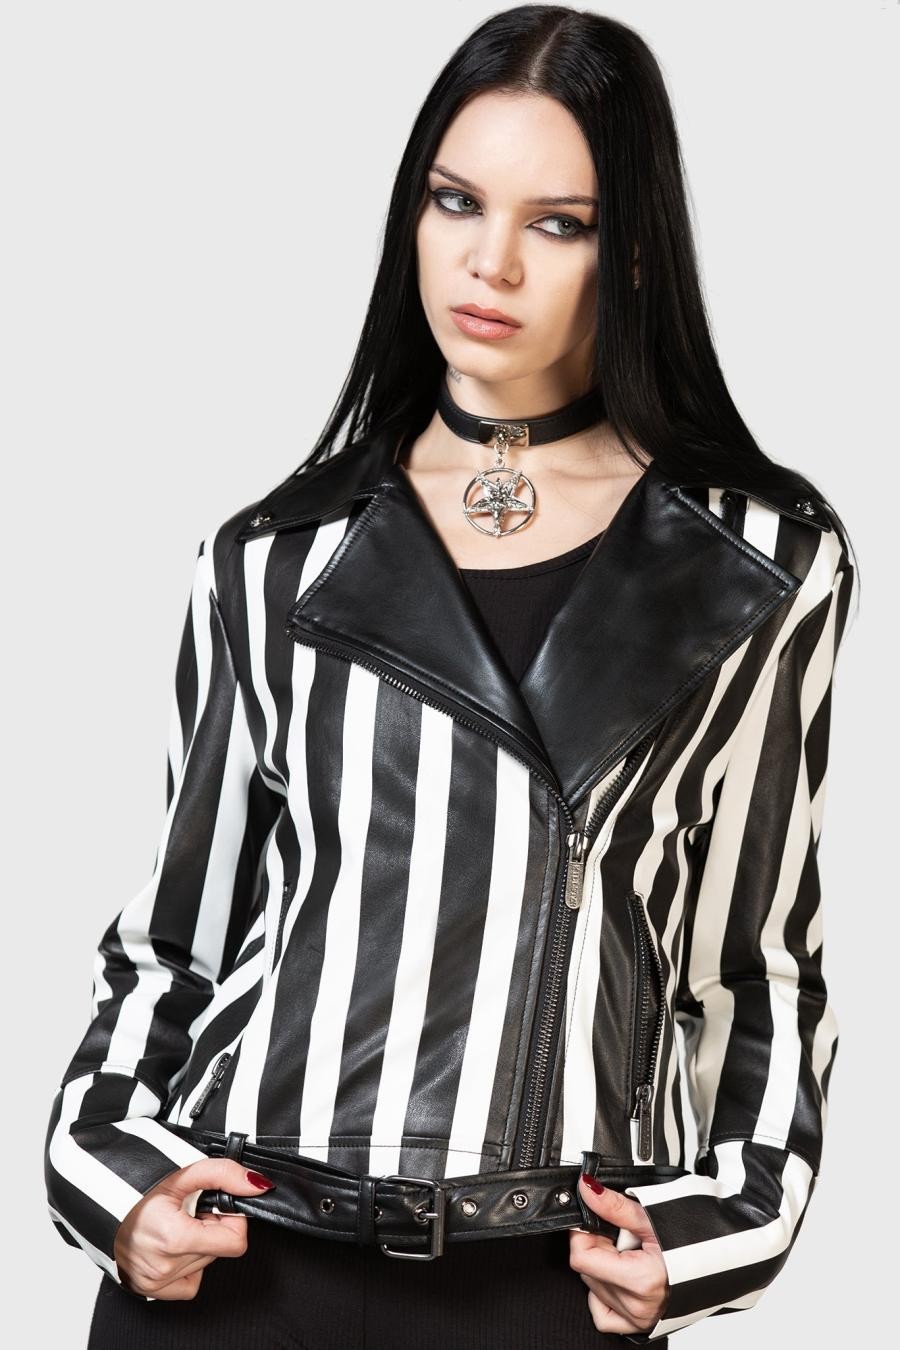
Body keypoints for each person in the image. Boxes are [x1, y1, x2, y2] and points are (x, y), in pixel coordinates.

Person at [44, 6, 858, 1348]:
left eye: (559, 222)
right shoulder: (273, 558)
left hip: (543, 1284)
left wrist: (721, 1230)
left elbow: (756, 965)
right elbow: (174, 940)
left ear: (632, 250)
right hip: (241, 1270)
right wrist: (115, 1184)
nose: (491, 262)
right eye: (456, 200)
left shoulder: (759, 567)